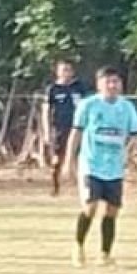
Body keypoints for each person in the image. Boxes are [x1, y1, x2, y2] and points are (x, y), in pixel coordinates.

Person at [64, 67, 137, 267]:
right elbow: (76, 133)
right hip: (91, 164)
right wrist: (69, 161)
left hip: (114, 167)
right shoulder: (88, 105)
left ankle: (105, 254)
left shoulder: (126, 107)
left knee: (112, 210)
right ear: (99, 84)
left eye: (115, 81)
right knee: (90, 206)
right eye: (108, 82)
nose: (112, 86)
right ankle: (78, 246)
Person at [42, 60, 87, 196]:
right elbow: (46, 110)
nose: (66, 73)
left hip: (79, 128)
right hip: (60, 128)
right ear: (57, 72)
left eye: (68, 70)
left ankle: (83, 186)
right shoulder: (52, 89)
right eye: (63, 70)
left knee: (82, 156)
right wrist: (47, 131)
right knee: (58, 157)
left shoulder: (79, 87)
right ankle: (55, 186)